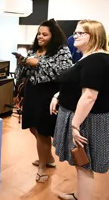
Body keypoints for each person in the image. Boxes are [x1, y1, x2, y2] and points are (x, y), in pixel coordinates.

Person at [50, 20, 109, 200]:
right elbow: (77, 84)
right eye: (75, 32)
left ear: (94, 36)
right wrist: (58, 95)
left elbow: (89, 96)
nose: (75, 36)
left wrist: (75, 125)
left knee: (84, 165)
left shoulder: (96, 61)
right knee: (81, 164)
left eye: (81, 33)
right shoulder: (89, 58)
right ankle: (80, 196)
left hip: (88, 120)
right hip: (82, 117)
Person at [15, 19, 73, 182]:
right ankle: (48, 158)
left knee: (43, 131)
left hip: (49, 93)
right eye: (39, 33)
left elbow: (65, 71)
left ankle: (42, 166)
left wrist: (38, 63)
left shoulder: (62, 51)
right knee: (32, 127)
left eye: (44, 34)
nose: (40, 36)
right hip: (32, 91)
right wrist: (23, 63)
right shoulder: (34, 49)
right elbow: (24, 70)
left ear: (53, 36)